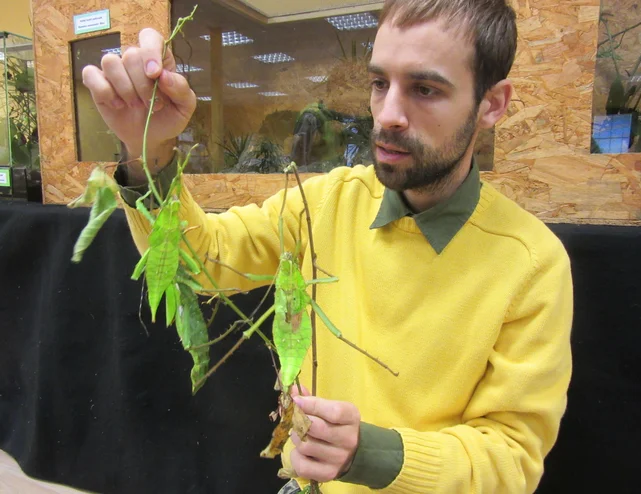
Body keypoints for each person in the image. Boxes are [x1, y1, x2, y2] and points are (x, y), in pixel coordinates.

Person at [82, 0, 573, 492]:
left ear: (493, 104)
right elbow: (199, 263)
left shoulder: (532, 264)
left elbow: (512, 458)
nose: (390, 115)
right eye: (380, 83)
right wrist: (148, 150)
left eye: (425, 89)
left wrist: (371, 453)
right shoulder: (325, 202)